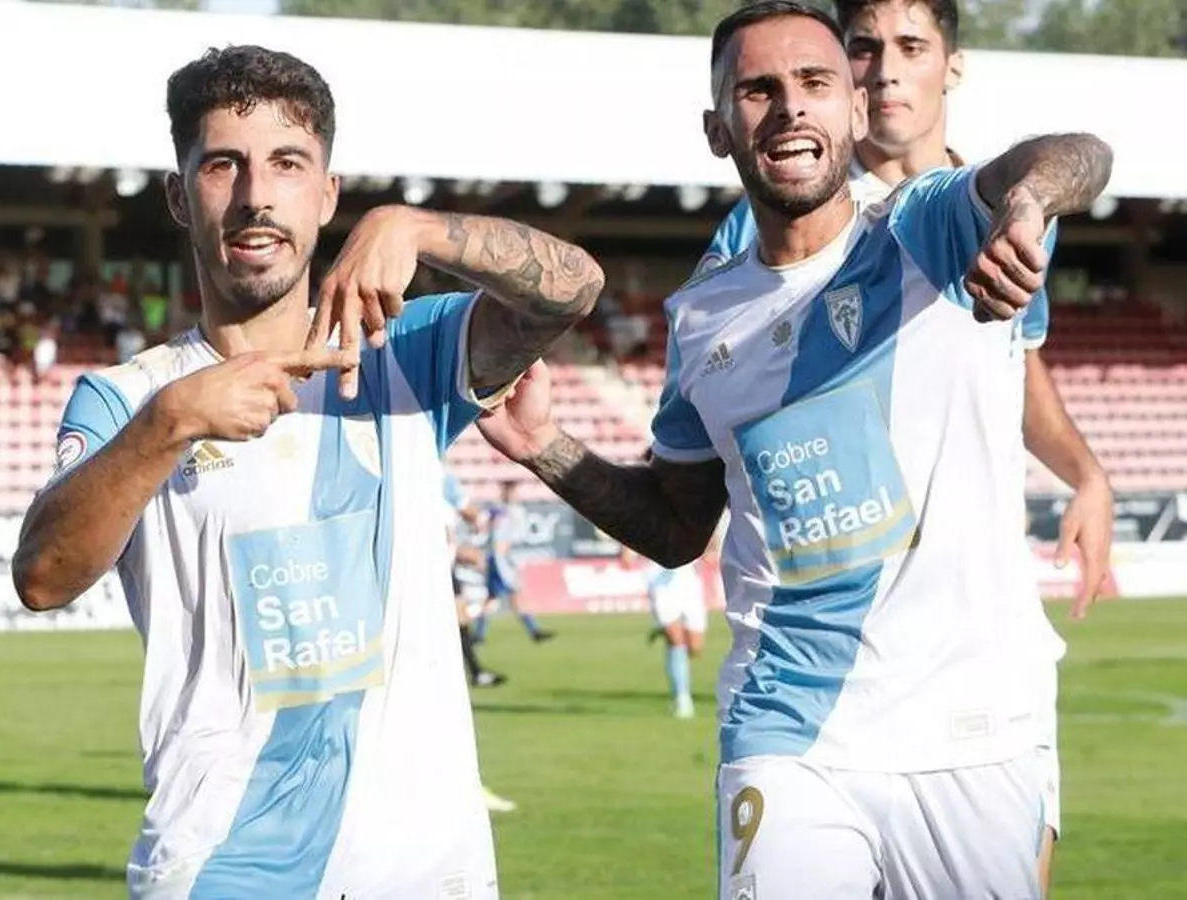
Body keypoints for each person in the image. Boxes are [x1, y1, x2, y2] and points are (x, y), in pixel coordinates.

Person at [476, 2, 1112, 896]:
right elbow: (676, 526)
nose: (790, 107)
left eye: (815, 82)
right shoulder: (702, 316)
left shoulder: (928, 227)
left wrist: (1029, 197)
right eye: (758, 90)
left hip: (967, 725)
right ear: (716, 130)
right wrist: (545, 446)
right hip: (787, 728)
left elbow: (1081, 152)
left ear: (855, 107)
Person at [10, 45, 601, 899]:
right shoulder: (129, 398)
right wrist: (169, 424)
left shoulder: (406, 353)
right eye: (223, 165)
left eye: (287, 164)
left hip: (429, 871)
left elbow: (574, 287)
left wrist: (417, 228)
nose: (256, 195)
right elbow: (42, 578)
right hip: (225, 869)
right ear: (179, 196)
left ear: (327, 195)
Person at [693, 1, 1115, 884]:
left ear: (952, 65)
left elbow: (1017, 365)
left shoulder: (988, 207)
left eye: (910, 46)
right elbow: (726, 377)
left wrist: (1086, 474)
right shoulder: (767, 221)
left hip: (983, 669)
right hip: (811, 694)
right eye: (863, 48)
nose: (884, 68)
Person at [620, 545, 706, 719]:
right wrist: (628, 554)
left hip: (688, 581)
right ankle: (682, 699)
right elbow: (630, 546)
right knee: (676, 640)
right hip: (660, 583)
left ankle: (663, 630)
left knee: (695, 648)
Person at [444, 470, 506, 688]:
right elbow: (468, 511)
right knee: (457, 618)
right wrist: (479, 520)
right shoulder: (439, 475)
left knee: (459, 617)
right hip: (438, 566)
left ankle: (475, 672)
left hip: (442, 563)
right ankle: (472, 673)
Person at [473, 480, 555, 644]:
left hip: (504, 560)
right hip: (499, 562)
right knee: (511, 595)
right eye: (509, 490)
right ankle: (533, 631)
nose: (513, 494)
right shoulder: (497, 510)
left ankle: (480, 635)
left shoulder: (513, 511)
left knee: (498, 597)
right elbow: (483, 527)